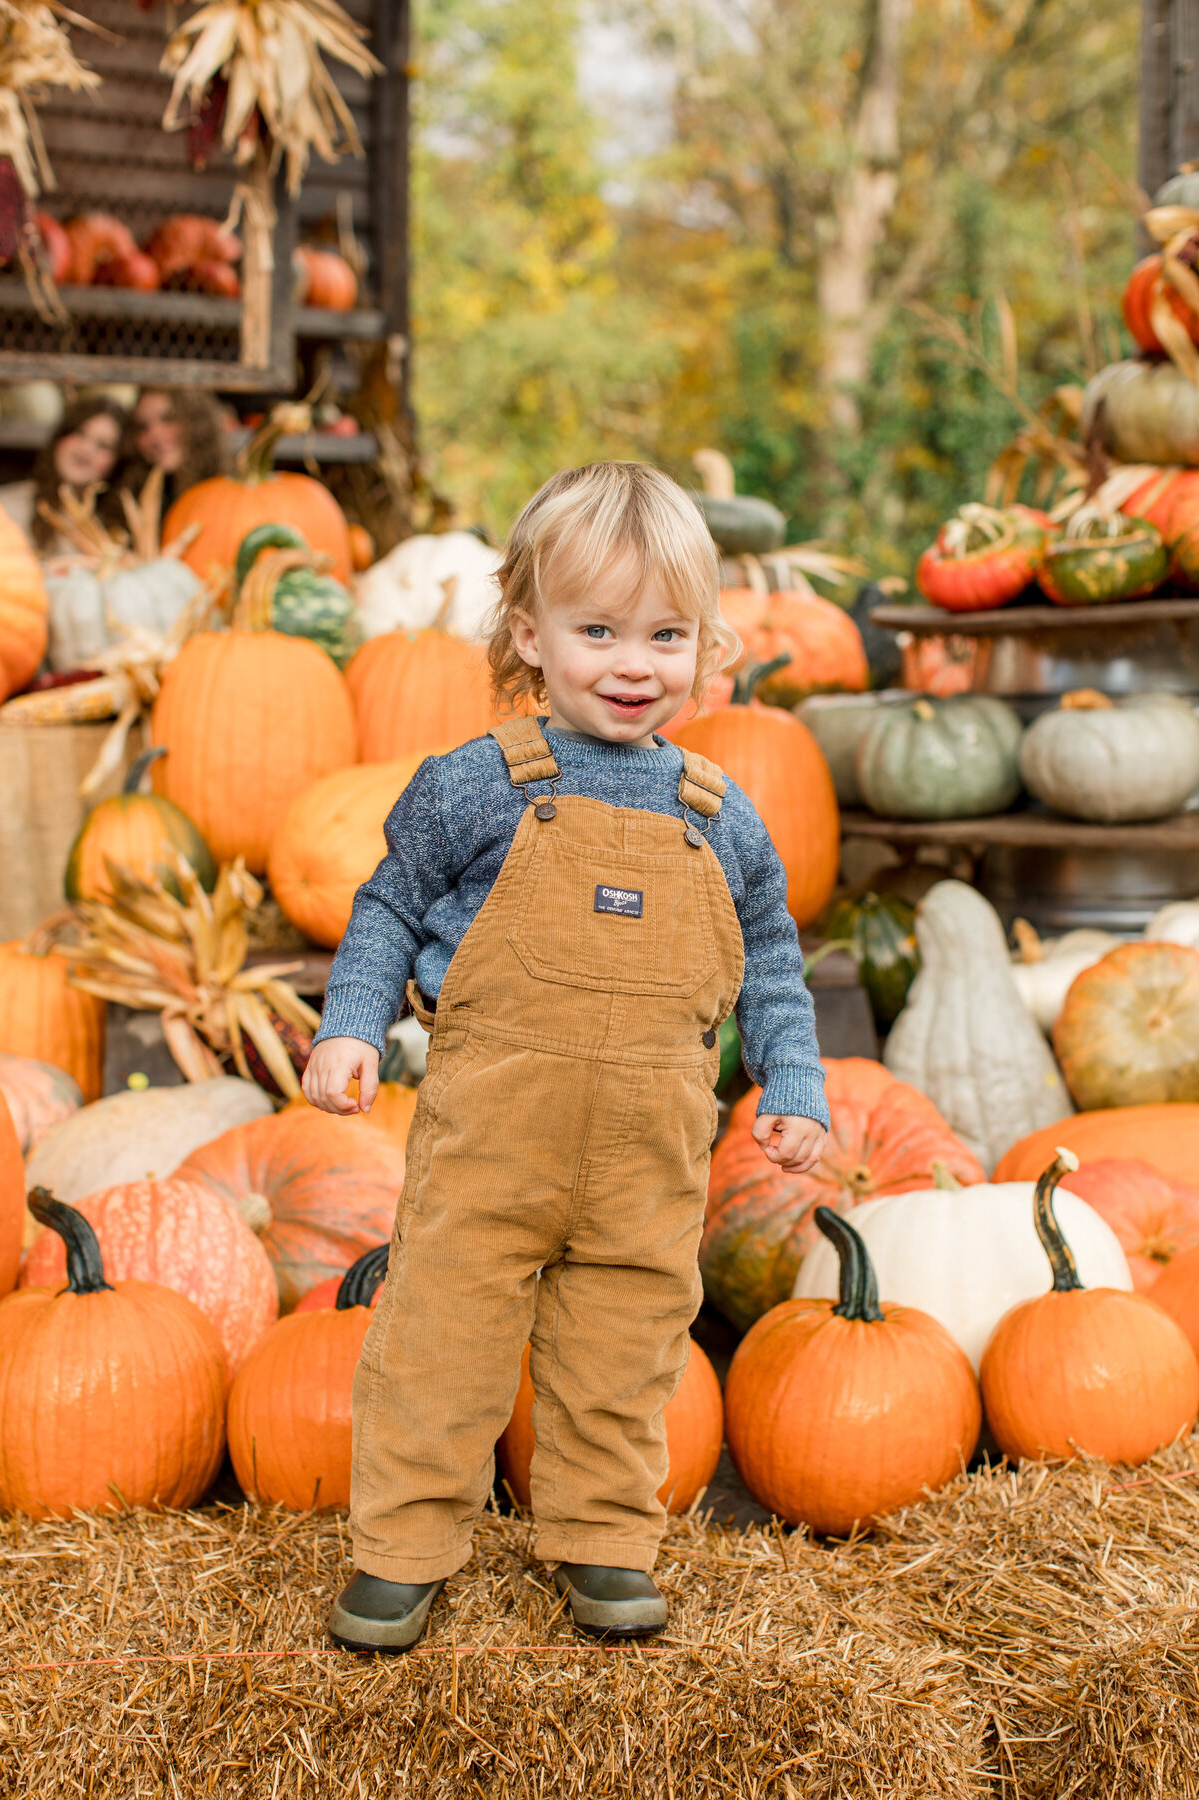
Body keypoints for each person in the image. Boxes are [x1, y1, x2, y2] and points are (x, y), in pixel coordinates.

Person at [302, 461, 830, 1651]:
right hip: (492, 1147)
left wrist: (794, 1080)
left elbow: (774, 961)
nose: (633, 664)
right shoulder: (478, 786)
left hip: (645, 1163)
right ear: (529, 635)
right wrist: (348, 1023)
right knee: (438, 1345)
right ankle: (402, 1550)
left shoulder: (720, 812)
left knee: (624, 1357)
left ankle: (604, 1543)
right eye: (598, 631)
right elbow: (387, 906)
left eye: (666, 635)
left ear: (708, 646)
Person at [0, 395, 127, 553]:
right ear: (59, 439)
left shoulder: (112, 531)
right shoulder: (7, 507)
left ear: (115, 463)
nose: (86, 449)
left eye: (103, 445)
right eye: (79, 433)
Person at [120, 386, 229, 511]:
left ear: (195, 421)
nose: (155, 435)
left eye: (168, 418)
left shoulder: (227, 490)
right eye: (142, 427)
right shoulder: (136, 499)